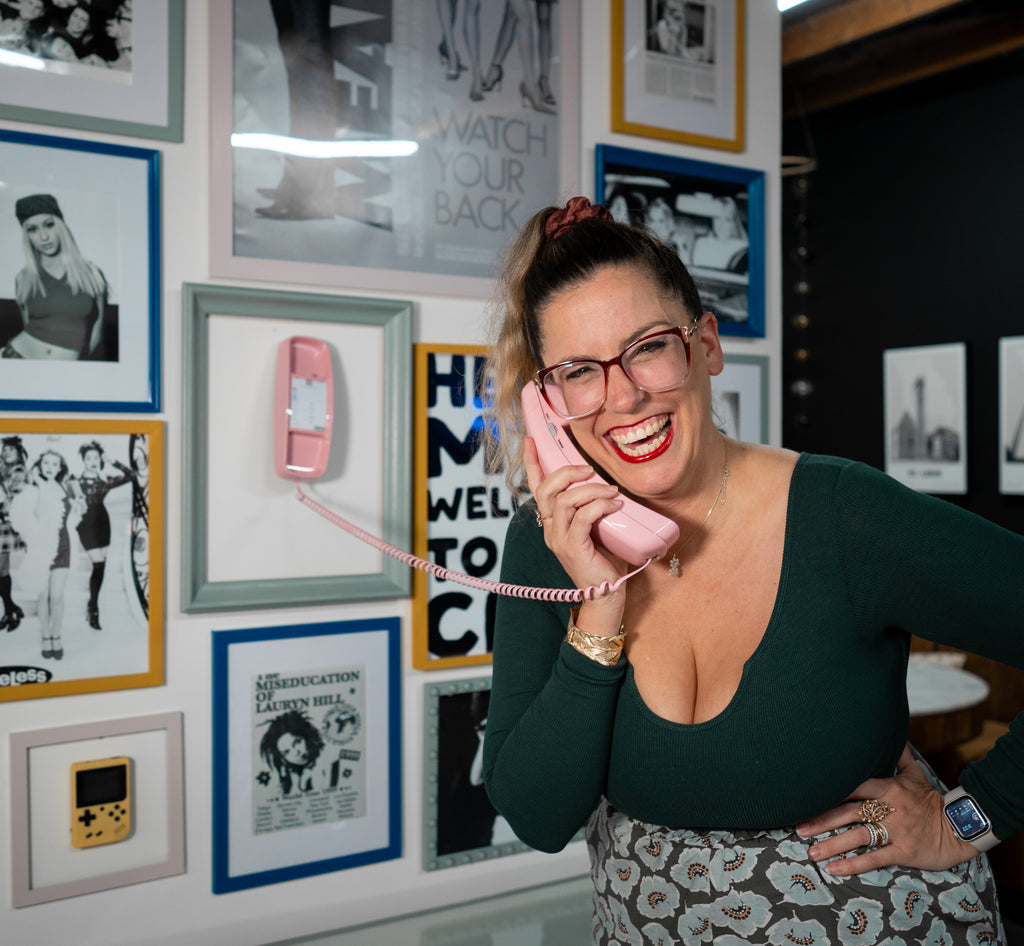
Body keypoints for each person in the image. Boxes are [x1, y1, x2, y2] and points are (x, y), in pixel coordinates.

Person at [481, 196, 1024, 945]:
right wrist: (599, 605)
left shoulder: (843, 513)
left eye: (648, 347)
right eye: (579, 371)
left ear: (705, 343)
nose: (624, 395)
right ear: (549, 401)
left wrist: (972, 816)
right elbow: (537, 817)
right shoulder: (544, 542)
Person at [3, 193, 110, 361]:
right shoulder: (23, 279)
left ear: (60, 226)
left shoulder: (91, 273)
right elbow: (27, 324)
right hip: (16, 356)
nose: (44, 237)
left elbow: (97, 329)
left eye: (49, 225)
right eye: (32, 229)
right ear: (27, 236)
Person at [14, 449, 83, 660]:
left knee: (58, 596)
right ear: (40, 465)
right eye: (46, 463)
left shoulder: (66, 487)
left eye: (55, 463)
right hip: (40, 547)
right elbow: (27, 516)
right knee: (43, 595)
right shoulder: (32, 487)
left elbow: (78, 512)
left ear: (60, 467)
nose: (50, 467)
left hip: (63, 545)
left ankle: (56, 635)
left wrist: (79, 503)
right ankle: (45, 636)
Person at [71, 440, 134, 631]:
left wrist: (111, 461)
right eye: (88, 458)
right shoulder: (75, 482)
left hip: (103, 522)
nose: (93, 461)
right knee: (98, 563)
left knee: (101, 566)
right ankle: (94, 609)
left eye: (96, 457)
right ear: (83, 460)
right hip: (85, 524)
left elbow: (131, 475)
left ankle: (92, 602)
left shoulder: (104, 481)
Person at [0, 436, 29, 632]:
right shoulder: (2, 470)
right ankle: (12, 609)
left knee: (1, 570)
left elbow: (18, 497)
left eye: (10, 450)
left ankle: (11, 610)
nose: (6, 453)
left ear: (18, 452)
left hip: (7, 524)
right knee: (1, 571)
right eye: (4, 450)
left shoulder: (19, 471)